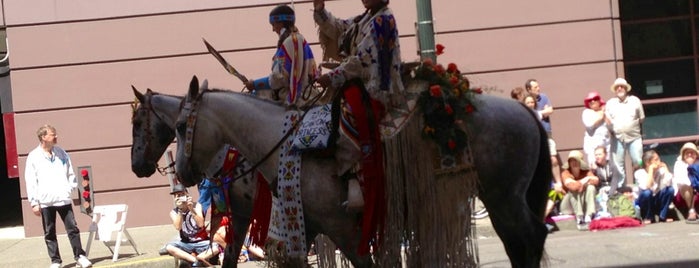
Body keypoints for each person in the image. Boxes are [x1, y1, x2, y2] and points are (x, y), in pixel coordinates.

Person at [24, 124, 93, 268]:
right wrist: (34, 202)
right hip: (46, 201)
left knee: (72, 229)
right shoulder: (33, 157)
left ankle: (80, 256)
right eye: (52, 134)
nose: (56, 137)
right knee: (49, 232)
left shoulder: (61, 153)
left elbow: (70, 173)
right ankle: (55, 261)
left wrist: (70, 188)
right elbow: (30, 180)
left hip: (63, 199)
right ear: (43, 137)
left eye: (55, 134)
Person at [244, 4, 318, 108]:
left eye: (273, 25)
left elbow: (280, 78)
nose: (273, 29)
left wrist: (255, 84)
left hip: (297, 102)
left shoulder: (291, 42)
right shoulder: (298, 41)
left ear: (281, 23)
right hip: (306, 98)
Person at [525, 79, 563, 201]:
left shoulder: (544, 97)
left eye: (538, 86)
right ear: (529, 89)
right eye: (535, 87)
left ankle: (558, 183)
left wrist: (538, 113)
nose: (538, 89)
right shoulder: (526, 100)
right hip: (534, 135)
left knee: (553, 158)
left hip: (547, 133)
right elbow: (533, 115)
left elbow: (550, 110)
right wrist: (541, 113)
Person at [164, 184, 220, 267]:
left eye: (181, 195)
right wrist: (180, 210)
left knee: (217, 247)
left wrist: (191, 209)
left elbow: (201, 224)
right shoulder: (174, 212)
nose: (179, 197)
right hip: (186, 243)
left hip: (201, 242)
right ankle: (196, 260)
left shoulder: (197, 206)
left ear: (187, 194)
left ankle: (194, 259)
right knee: (169, 247)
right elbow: (177, 227)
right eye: (176, 196)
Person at [605, 78, 645, 189]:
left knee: (638, 161)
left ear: (626, 88)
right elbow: (607, 121)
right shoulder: (610, 103)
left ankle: (640, 187)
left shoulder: (635, 100)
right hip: (617, 138)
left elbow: (641, 118)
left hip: (634, 137)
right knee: (618, 165)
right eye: (617, 87)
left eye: (622, 86)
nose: (619, 88)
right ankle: (620, 189)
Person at [558, 150, 599, 229]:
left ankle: (588, 216)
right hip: (568, 206)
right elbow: (573, 187)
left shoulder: (586, 172)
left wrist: (585, 179)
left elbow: (596, 180)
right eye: (572, 160)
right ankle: (579, 218)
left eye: (576, 160)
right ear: (569, 163)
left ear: (581, 162)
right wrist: (585, 180)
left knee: (591, 187)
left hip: (583, 204)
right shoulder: (565, 173)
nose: (574, 162)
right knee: (573, 190)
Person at [634, 150, 674, 224]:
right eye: (656, 160)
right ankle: (648, 217)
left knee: (670, 190)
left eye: (659, 159)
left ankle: (663, 216)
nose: (659, 161)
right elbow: (646, 187)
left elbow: (668, 184)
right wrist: (651, 171)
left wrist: (666, 168)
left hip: (657, 199)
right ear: (648, 163)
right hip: (645, 202)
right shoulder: (639, 173)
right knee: (647, 193)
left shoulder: (661, 171)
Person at [582, 91, 610, 169]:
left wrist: (604, 114)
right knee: (593, 167)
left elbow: (610, 125)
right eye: (590, 100)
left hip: (605, 144)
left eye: (595, 99)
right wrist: (601, 116)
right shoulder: (586, 112)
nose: (592, 101)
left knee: (607, 166)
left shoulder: (605, 112)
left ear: (599, 101)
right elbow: (589, 125)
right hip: (592, 145)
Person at [672, 142, 699, 222]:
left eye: (692, 153)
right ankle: (691, 210)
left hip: (697, 192)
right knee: (686, 187)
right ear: (683, 155)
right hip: (683, 195)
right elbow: (681, 181)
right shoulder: (679, 164)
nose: (690, 155)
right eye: (687, 153)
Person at [592, 146, 614, 215]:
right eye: (596, 155)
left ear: (605, 155)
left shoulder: (612, 165)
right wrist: (594, 171)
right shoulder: (594, 167)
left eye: (599, 154)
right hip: (600, 192)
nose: (597, 156)